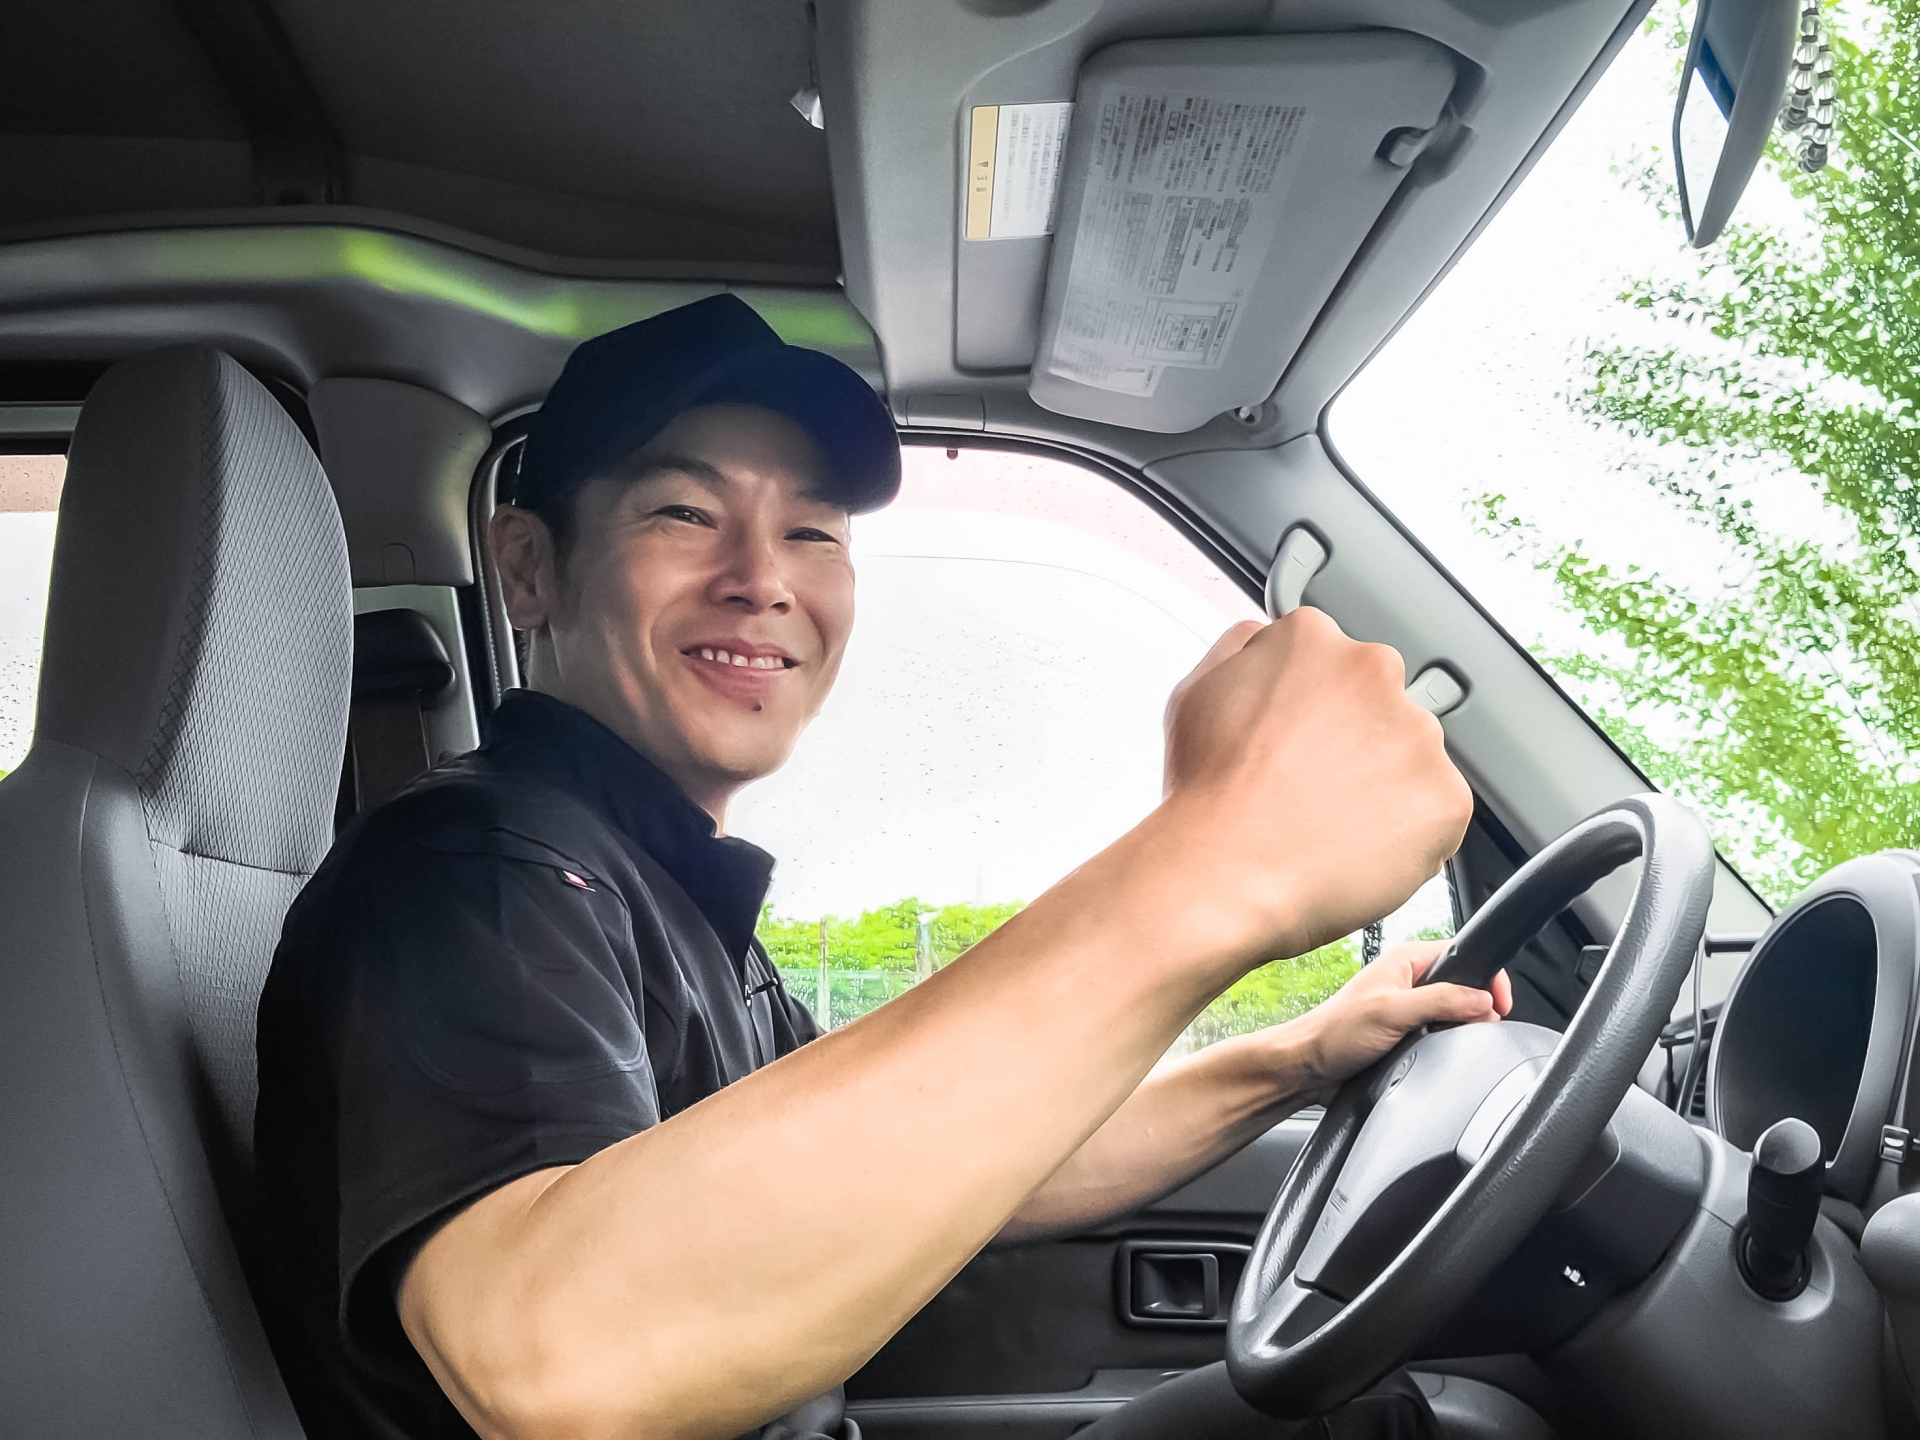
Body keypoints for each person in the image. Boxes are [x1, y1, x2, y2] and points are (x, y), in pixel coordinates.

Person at [254, 294, 1509, 1440]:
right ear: (529, 567)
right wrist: (1218, 862)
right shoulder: (477, 878)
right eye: (684, 513)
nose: (761, 582)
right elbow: (556, 1362)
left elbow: (973, 1158)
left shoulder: (660, 885)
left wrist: (1294, 1058)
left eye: (812, 532)